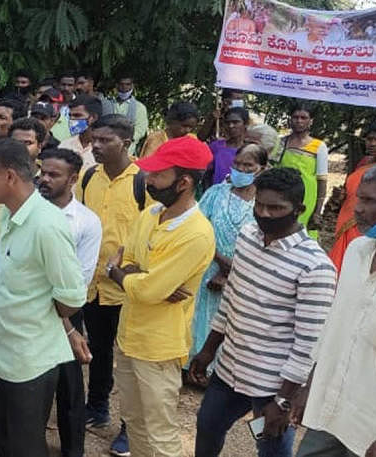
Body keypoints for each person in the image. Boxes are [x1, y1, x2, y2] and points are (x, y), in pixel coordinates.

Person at [187, 167, 337, 457]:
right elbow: (232, 297)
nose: (265, 214)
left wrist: (283, 400)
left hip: (273, 383)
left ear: (299, 210)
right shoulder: (248, 236)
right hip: (230, 367)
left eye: (276, 208)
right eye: (260, 205)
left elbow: (308, 343)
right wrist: (208, 350)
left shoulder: (315, 266)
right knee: (208, 425)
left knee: (271, 447)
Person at [104, 136, 216, 457]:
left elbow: (147, 288)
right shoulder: (152, 213)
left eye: (157, 175)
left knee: (161, 434)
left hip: (159, 348)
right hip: (128, 337)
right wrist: (138, 274)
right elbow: (127, 259)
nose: (148, 180)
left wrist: (125, 274)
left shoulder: (196, 233)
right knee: (134, 421)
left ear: (183, 182)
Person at [0, 139, 87, 456]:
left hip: (30, 361)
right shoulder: (10, 215)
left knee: (26, 447)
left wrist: (46, 316)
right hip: (4, 355)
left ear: (10, 176)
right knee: (9, 444)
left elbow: (71, 296)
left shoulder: (46, 224)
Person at [294, 163, 376, 457]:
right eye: (358, 198)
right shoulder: (356, 251)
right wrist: (309, 385)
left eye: (370, 201)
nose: (357, 209)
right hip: (332, 409)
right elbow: (335, 326)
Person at [75, 114, 147, 453]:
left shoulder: (143, 182)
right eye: (96, 140)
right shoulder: (89, 177)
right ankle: (97, 407)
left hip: (129, 288)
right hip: (93, 285)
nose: (98, 146)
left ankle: (129, 428)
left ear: (127, 143)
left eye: (107, 140)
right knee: (100, 350)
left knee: (131, 359)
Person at [36, 147, 103, 457]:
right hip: (30, 310)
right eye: (42, 172)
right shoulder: (27, 209)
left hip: (67, 311)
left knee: (69, 385)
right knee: (31, 384)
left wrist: (65, 324)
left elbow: (79, 281)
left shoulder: (86, 222)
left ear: (73, 179)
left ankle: (72, 449)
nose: (44, 179)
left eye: (53, 175)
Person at [190, 144, 267, 358]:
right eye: (237, 164)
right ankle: (191, 364)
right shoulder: (215, 194)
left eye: (248, 166)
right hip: (206, 266)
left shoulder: (263, 203)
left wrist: (229, 272)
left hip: (245, 272)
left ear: (261, 168)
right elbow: (197, 229)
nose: (240, 170)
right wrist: (219, 259)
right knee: (199, 315)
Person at [328, 120, 376, 271]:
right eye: (369, 139)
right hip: (348, 218)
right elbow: (355, 191)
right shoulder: (364, 162)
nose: (373, 143)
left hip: (373, 224)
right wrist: (340, 197)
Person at [271, 103, 328, 237]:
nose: (299, 121)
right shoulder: (281, 143)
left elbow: (322, 180)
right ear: (290, 119)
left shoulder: (319, 146)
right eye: (295, 117)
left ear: (311, 121)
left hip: (307, 197)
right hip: (282, 194)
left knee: (301, 232)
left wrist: (317, 212)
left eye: (304, 117)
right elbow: (271, 169)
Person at [104, 76, 148, 155]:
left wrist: (123, 139)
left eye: (127, 84)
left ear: (132, 86)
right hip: (107, 146)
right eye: (121, 84)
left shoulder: (139, 107)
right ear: (117, 86)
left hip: (127, 151)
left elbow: (140, 130)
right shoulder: (108, 104)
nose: (124, 87)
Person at [207, 107, 249, 187]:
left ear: (245, 124)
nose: (231, 126)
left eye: (235, 122)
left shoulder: (251, 150)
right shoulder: (216, 146)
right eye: (227, 123)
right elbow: (207, 173)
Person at [59, 95, 103, 168]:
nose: (72, 120)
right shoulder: (64, 145)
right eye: (70, 116)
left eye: (77, 115)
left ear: (93, 118)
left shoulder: (106, 148)